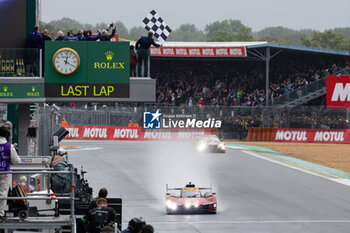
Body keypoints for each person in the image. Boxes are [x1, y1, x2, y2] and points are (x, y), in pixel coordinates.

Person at [0, 126, 21, 220]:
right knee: (2, 193)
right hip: (4, 171)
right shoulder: (9, 146)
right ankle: (0, 214)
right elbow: (16, 161)